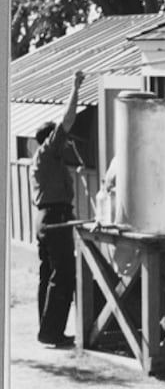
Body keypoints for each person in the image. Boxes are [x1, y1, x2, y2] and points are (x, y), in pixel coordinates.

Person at [32, 70, 86, 347]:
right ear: (51, 140)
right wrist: (75, 87)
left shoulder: (44, 162)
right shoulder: (49, 151)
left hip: (45, 218)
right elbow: (67, 119)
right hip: (55, 218)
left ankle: (46, 330)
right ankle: (52, 333)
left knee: (49, 274)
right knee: (64, 273)